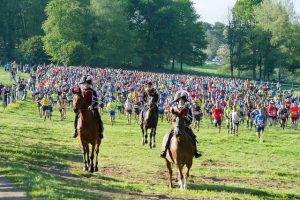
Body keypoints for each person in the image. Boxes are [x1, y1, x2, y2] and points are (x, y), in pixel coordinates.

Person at [160, 90, 201, 158]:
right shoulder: (174, 108)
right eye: (180, 100)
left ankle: (195, 152)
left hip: (185, 127)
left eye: (182, 100)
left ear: (184, 101)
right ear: (178, 101)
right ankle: (164, 151)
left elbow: (191, 119)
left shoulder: (187, 109)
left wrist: (185, 118)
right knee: (169, 135)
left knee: (193, 136)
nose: (181, 101)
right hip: (176, 126)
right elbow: (171, 118)